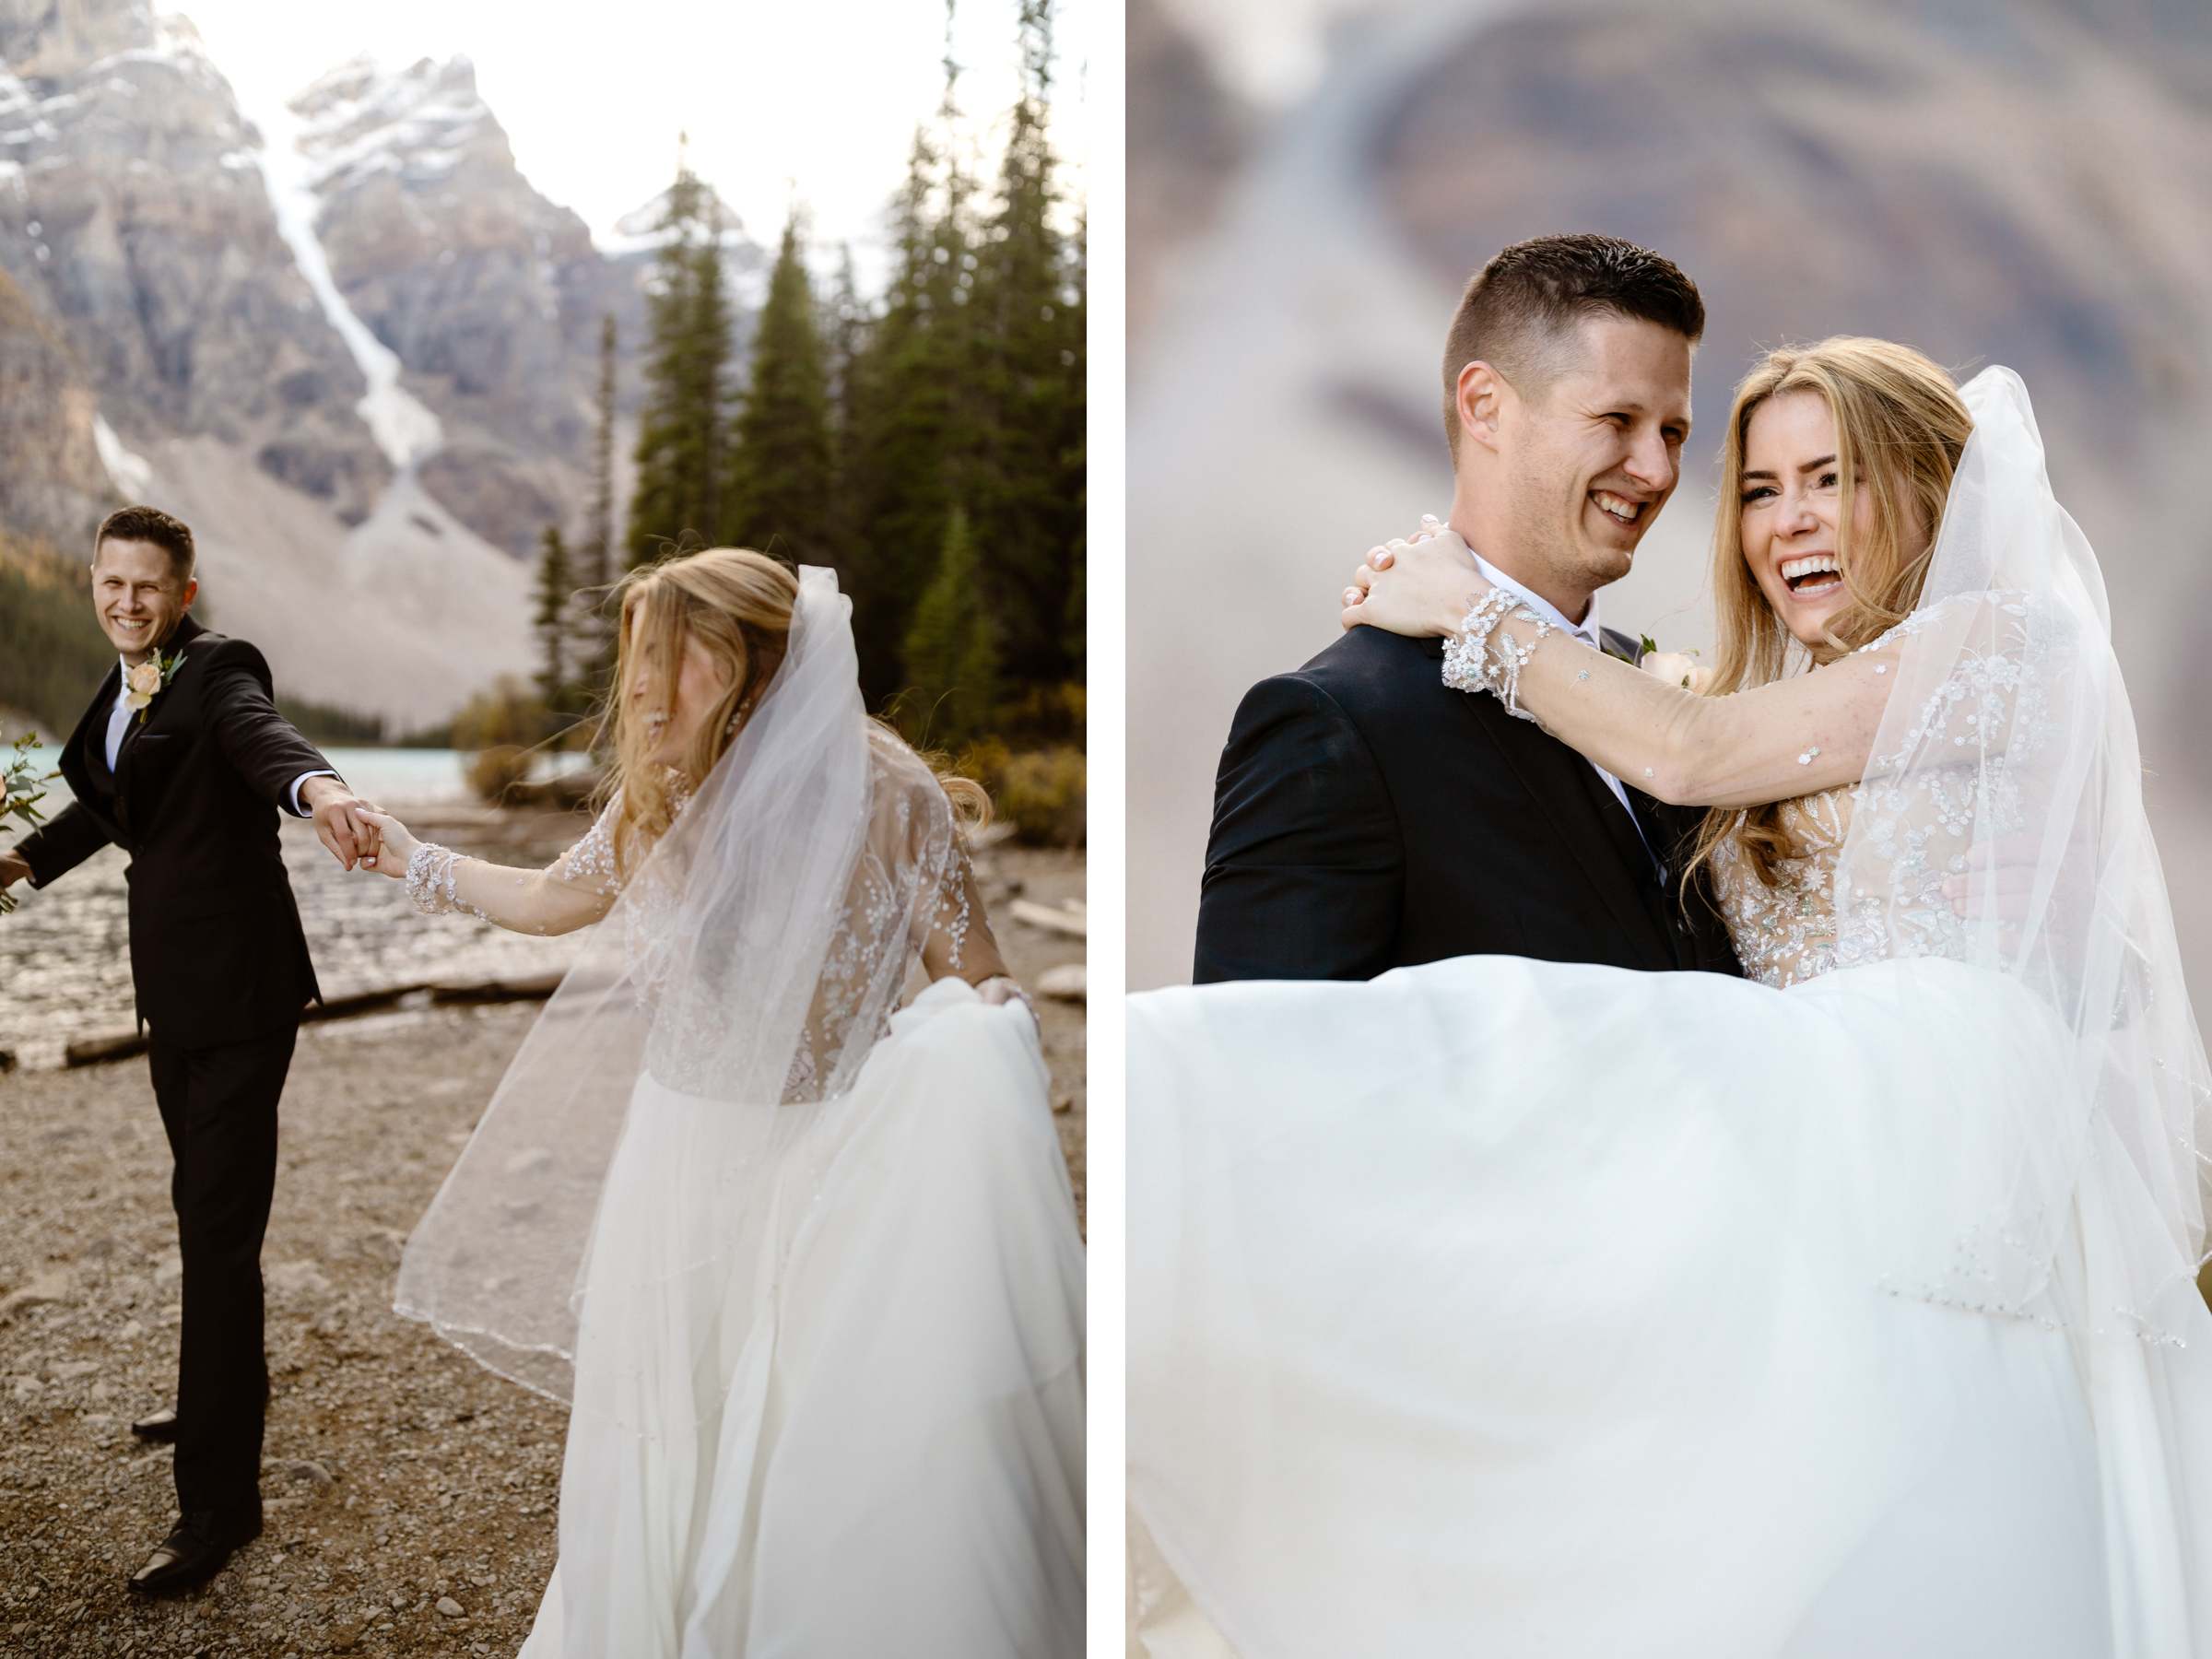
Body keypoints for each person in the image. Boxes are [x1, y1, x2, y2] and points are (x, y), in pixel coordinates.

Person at [1127, 345, 2212, 1654]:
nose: (1787, 519)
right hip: (1827, 1191)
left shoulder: (2008, 643)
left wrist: (1473, 612)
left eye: (1834, 478)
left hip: (1941, 1113)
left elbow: (1688, 755)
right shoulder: (1783, 700)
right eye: (1758, 488)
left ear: (1932, 489)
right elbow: (1696, 729)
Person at [357, 548, 1085, 1657]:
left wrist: (990, 1041)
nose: (640, 686)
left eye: (666, 655)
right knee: (674, 1425)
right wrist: (413, 859)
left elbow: (974, 970)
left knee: (807, 1431)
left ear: (747, 656)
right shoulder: (668, 785)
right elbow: (552, 900)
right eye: (634, 659)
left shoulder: (887, 791)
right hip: (684, 1161)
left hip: (838, 1166)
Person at [0, 505, 383, 1596]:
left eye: (148, 587)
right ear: (93, 585)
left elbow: (267, 742)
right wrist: (18, 864)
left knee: (217, 1231)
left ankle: (219, 1508)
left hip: (244, 997)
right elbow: (110, 806)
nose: (128, 602)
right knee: (206, 1211)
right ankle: (218, 1389)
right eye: (110, 584)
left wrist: (321, 792)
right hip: (174, 997)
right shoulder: (123, 687)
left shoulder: (216, 671)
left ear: (185, 594)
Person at [1192, 233, 1739, 985]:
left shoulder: (1661, 695)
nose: (1657, 469)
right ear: (1484, 406)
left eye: (1673, 432)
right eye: (1618, 420)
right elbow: (1259, 1055)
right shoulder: (1337, 722)